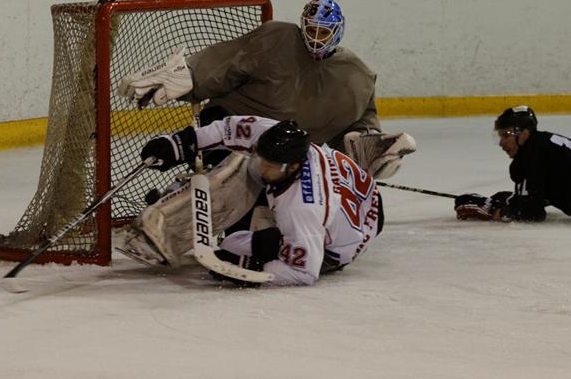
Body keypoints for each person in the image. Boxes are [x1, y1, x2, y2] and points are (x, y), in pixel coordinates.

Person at [117, 0, 416, 180]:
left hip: (285, 151)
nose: (315, 38)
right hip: (231, 124)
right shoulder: (278, 39)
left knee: (250, 190)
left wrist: (368, 148)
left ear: (337, 33)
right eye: (310, 29)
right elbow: (229, 63)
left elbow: (360, 126)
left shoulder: (358, 75)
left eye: (323, 32)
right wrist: (193, 75)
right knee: (217, 172)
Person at [125, 115, 383, 287]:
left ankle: (179, 228)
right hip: (358, 197)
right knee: (243, 164)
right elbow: (230, 128)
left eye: (271, 165)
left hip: (339, 243)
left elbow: (304, 272)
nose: (263, 168)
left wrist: (252, 268)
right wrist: (181, 143)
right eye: (264, 158)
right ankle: (176, 215)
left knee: (235, 244)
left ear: (293, 167)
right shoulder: (275, 139)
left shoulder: (302, 209)